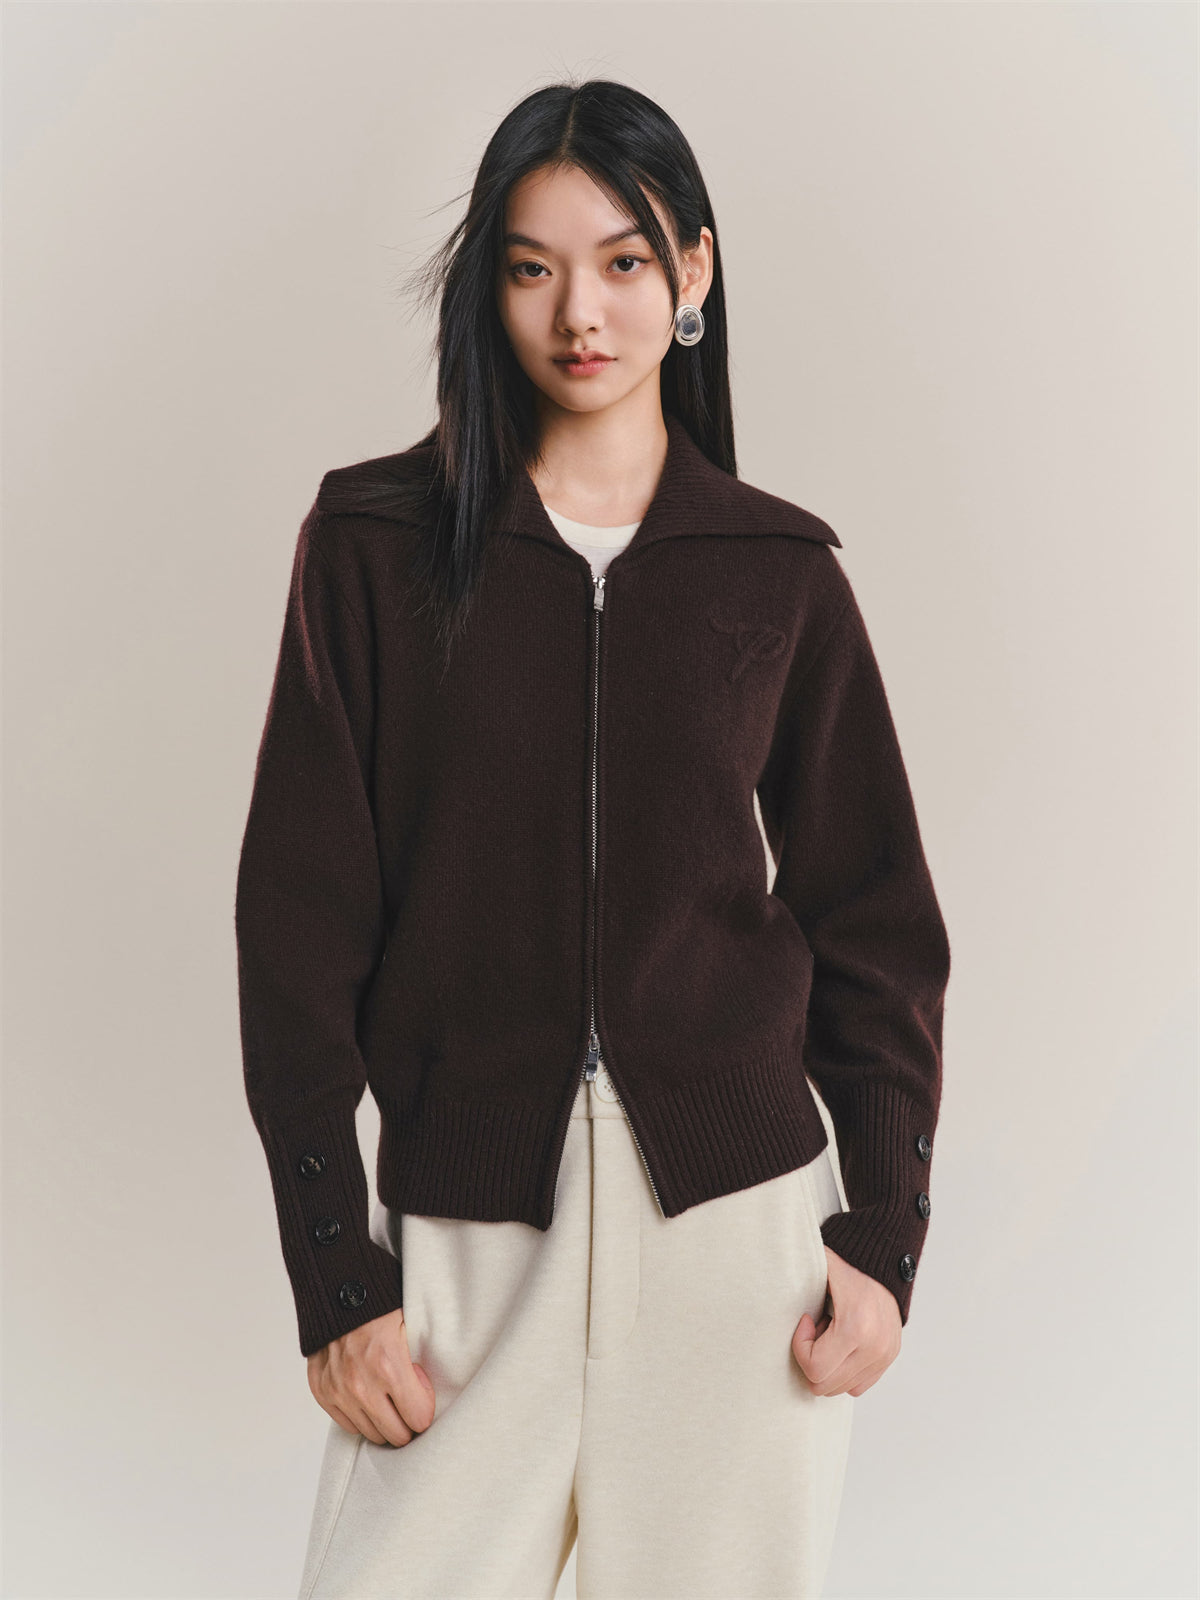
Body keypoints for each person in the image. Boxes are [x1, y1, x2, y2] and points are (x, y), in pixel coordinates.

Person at [234, 78, 951, 1600]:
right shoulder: (372, 550)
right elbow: (295, 931)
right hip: (463, 1249)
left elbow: (876, 923)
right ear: (486, 288)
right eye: (531, 266)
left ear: (693, 273)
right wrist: (333, 1268)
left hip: (737, 1257)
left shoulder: (777, 572)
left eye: (624, 261)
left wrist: (884, 1233)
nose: (579, 312)